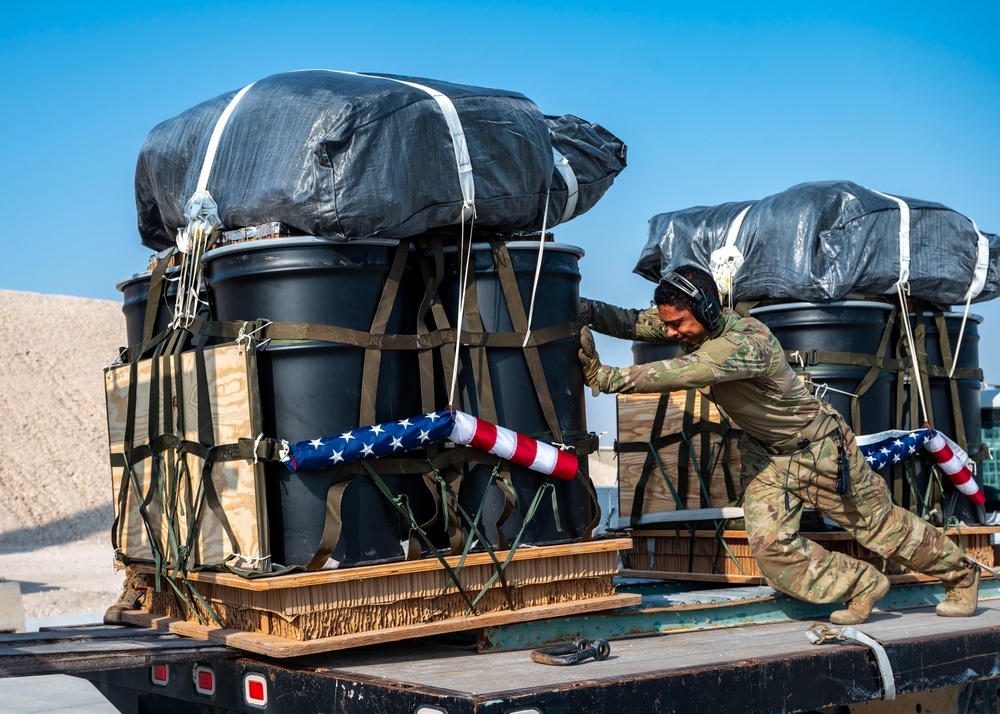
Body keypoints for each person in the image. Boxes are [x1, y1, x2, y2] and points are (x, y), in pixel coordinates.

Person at [577, 264, 979, 624]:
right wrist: (578, 309)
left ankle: (961, 574)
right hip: (770, 460)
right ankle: (860, 584)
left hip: (819, 451)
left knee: (880, 527)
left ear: (709, 310)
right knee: (770, 548)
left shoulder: (747, 342)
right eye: (667, 324)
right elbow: (630, 321)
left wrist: (608, 378)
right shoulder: (688, 327)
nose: (669, 333)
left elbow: (690, 371)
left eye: (677, 323)